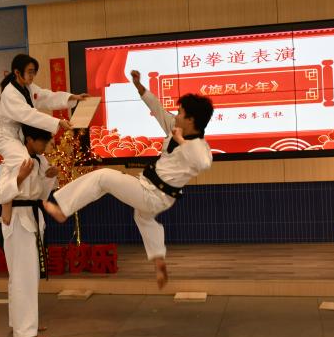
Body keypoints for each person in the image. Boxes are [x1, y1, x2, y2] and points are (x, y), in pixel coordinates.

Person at [44, 70, 214, 289]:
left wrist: (182, 141)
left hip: (154, 194)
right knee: (143, 218)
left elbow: (203, 163)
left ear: (191, 120)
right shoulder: (176, 127)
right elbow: (157, 108)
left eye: (180, 112)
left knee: (103, 177)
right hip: (152, 190)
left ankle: (63, 210)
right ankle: (159, 261)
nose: (176, 115)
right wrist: (139, 86)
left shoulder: (200, 147)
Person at [0, 54, 86, 227]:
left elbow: (46, 97)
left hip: (19, 135)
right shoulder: (10, 93)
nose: (32, 76)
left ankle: (41, 201)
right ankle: (6, 203)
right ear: (17, 72)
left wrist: (72, 98)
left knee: (43, 166)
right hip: (6, 137)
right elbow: (28, 115)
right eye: (29, 72)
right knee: (23, 161)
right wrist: (57, 122)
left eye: (34, 72)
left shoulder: (28, 88)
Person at [0, 124, 59, 337]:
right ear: (29, 139)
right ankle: (24, 332)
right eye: (43, 142)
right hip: (18, 220)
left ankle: (22, 323)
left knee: (27, 275)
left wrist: (49, 177)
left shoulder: (40, 160)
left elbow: (41, 193)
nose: (45, 146)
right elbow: (0, 194)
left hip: (32, 215)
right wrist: (20, 177)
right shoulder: (15, 159)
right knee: (23, 276)